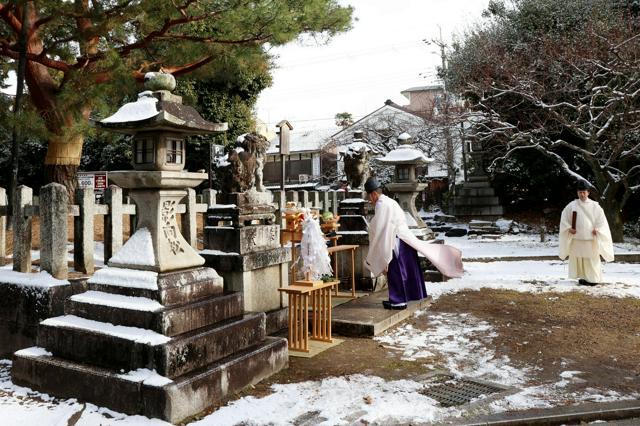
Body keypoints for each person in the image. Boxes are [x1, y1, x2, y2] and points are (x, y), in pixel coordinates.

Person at [364, 177, 463, 309]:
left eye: (369, 197)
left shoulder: (382, 204)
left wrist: (371, 229)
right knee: (407, 269)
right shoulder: (390, 201)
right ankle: (406, 297)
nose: (370, 201)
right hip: (403, 238)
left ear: (374, 194)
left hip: (395, 240)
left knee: (396, 270)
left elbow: (381, 226)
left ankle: (398, 301)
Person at [559, 180, 614, 285]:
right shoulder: (572, 205)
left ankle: (593, 279)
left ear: (588, 192)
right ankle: (583, 277)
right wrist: (569, 228)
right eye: (580, 192)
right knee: (580, 259)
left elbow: (601, 220)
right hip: (577, 239)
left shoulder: (595, 206)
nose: (582, 194)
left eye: (584, 192)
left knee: (591, 259)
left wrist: (597, 229)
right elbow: (564, 218)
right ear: (577, 193)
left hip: (590, 239)